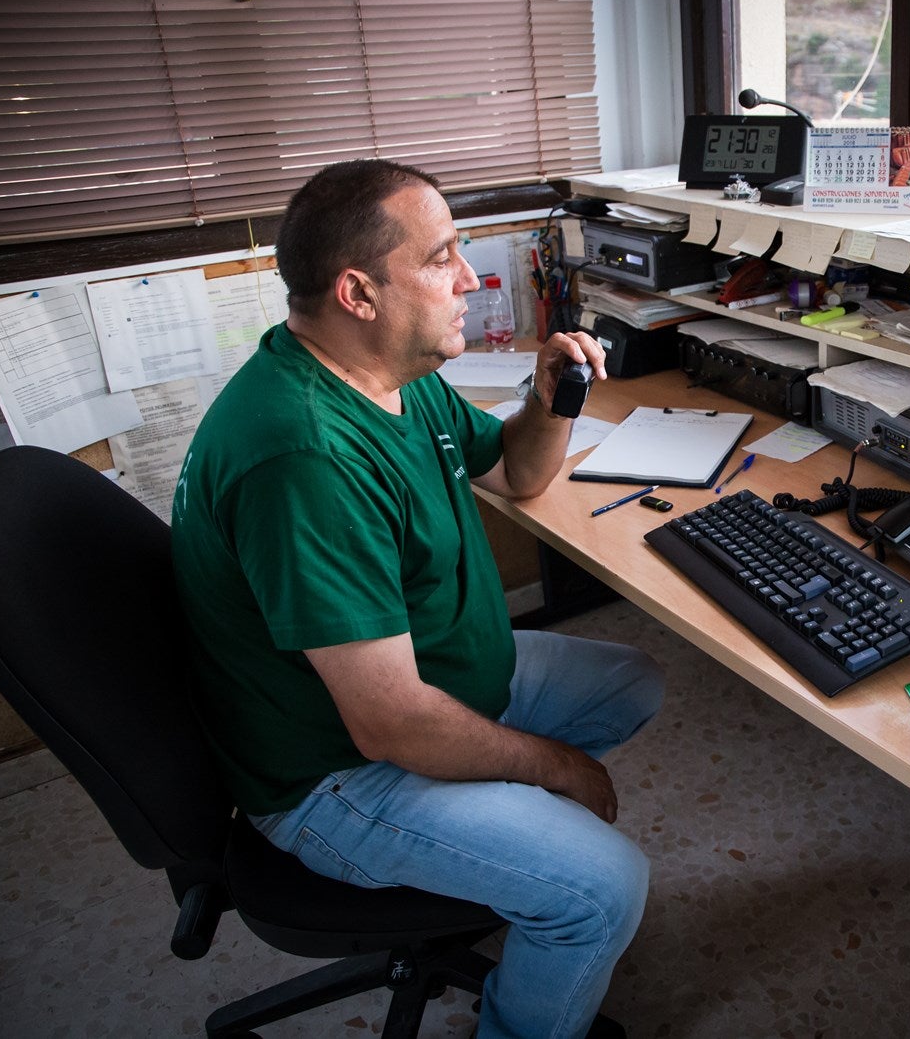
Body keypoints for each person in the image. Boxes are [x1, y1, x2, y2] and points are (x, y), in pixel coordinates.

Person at [171, 158, 664, 1039]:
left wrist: (550, 403)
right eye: (442, 258)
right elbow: (391, 725)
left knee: (634, 682)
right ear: (359, 292)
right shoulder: (304, 455)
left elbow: (516, 471)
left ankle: (504, 855)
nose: (471, 277)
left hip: (439, 679)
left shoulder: (397, 370)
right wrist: (554, 765)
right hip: (336, 771)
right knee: (603, 890)